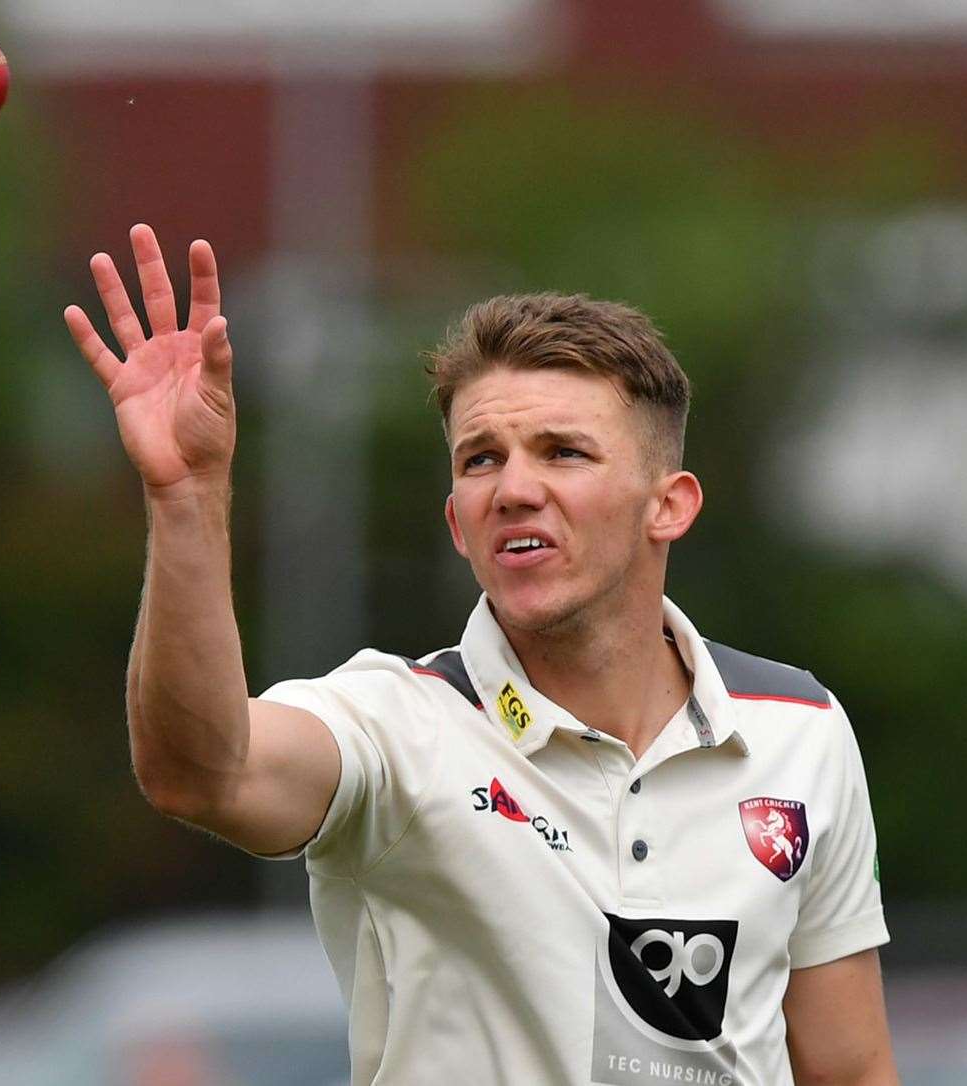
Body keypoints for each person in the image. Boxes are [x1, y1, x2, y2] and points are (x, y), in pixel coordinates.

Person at [64, 224, 898, 1086]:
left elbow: (851, 1069)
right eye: (482, 459)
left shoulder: (802, 731)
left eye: (564, 453)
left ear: (669, 506)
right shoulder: (396, 724)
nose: (515, 489)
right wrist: (188, 496)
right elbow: (200, 773)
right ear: (458, 524)